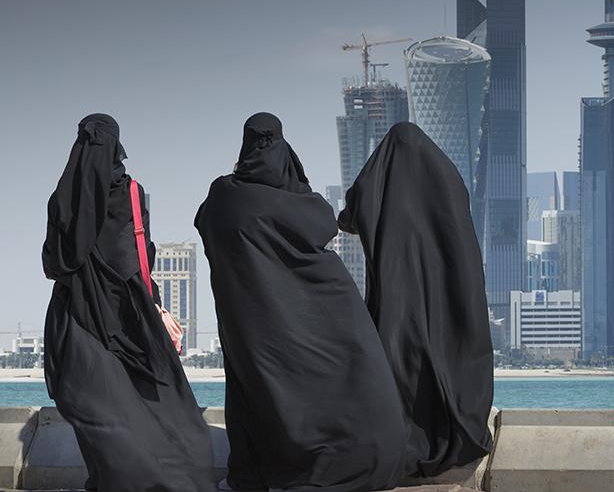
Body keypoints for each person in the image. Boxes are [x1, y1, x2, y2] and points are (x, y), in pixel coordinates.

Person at [194, 113, 406, 491]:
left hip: (249, 322)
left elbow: (205, 224)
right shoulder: (295, 199)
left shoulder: (223, 195)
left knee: (257, 393)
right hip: (313, 308)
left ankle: (261, 469)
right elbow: (323, 223)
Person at [42, 113, 215, 492]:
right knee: (143, 401)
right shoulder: (131, 192)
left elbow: (54, 264)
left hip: (77, 316)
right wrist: (155, 305)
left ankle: (109, 478)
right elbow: (138, 256)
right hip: (127, 314)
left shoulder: (62, 197)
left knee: (93, 402)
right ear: (118, 146)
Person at [338, 122, 494, 477]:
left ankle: (400, 439)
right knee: (445, 353)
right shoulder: (447, 177)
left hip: (396, 298)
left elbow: (350, 216)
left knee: (398, 361)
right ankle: (450, 430)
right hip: (447, 295)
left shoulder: (376, 184)